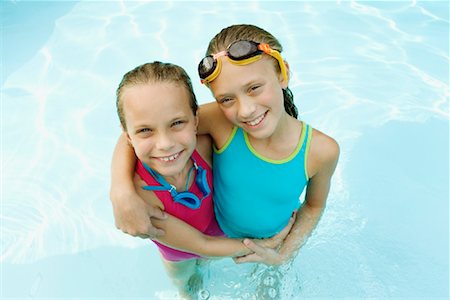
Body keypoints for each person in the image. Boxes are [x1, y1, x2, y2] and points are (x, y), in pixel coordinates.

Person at [111, 24, 339, 266]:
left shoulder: (322, 151)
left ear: (283, 75)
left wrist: (284, 255)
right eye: (227, 99)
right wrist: (120, 191)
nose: (246, 110)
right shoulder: (221, 122)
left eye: (254, 88)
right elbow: (141, 131)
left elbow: (313, 207)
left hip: (276, 240)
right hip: (222, 235)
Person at [113, 61, 294, 298]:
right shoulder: (140, 194)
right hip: (179, 252)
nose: (165, 143)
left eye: (177, 123)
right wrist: (267, 246)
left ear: (196, 120)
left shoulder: (208, 144)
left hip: (223, 232)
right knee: (184, 282)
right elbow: (201, 245)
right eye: (145, 130)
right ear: (128, 136)